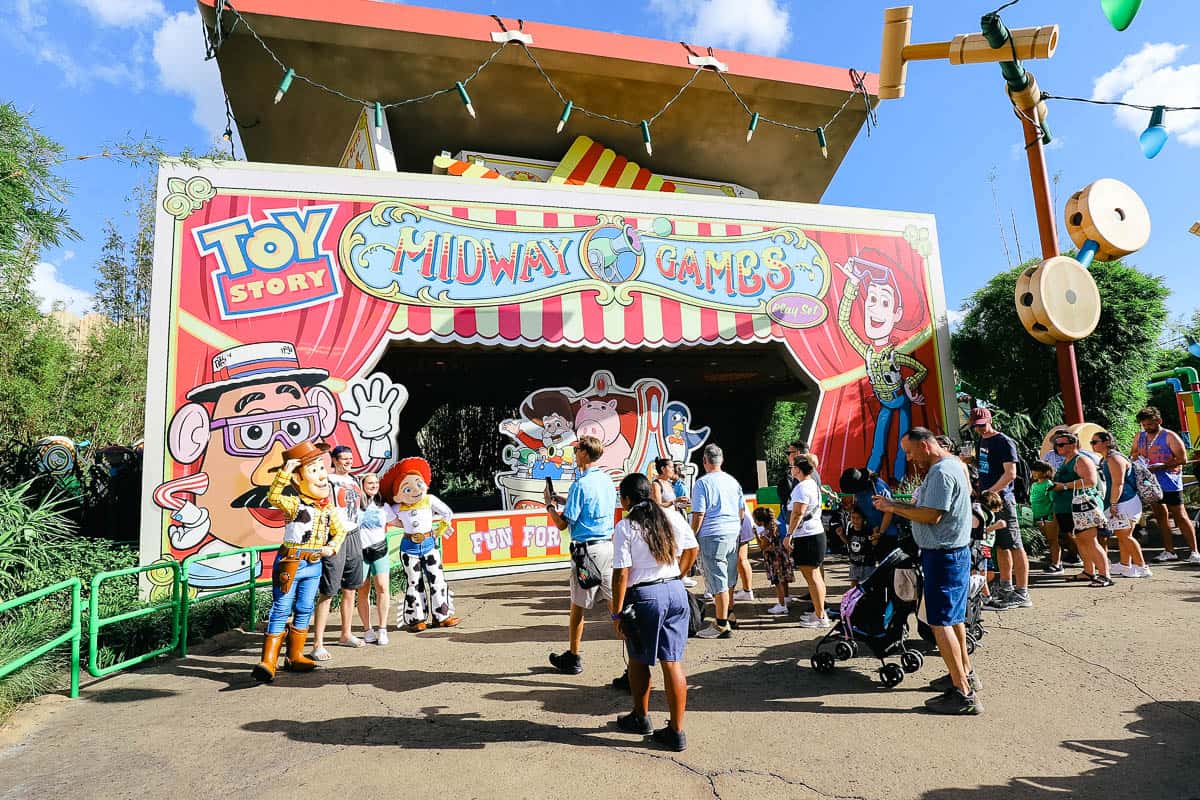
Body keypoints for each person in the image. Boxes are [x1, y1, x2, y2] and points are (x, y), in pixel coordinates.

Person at [873, 428, 979, 715]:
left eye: (909, 452)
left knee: (939, 622)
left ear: (925, 445)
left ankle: (963, 694)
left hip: (943, 556)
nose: (908, 458)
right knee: (953, 619)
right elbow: (932, 507)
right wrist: (895, 505)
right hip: (952, 554)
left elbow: (932, 515)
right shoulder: (953, 464)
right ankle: (964, 674)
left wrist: (894, 507)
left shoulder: (942, 472)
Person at [610, 473, 698, 752]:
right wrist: (678, 575)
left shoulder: (626, 526)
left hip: (644, 596)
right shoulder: (670, 516)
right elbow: (692, 548)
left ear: (625, 499)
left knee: (638, 660)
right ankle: (676, 731)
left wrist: (617, 610)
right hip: (674, 591)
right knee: (672, 662)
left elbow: (621, 573)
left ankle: (641, 717)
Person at [252, 441, 348, 683]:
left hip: (314, 564)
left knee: (305, 608)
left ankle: (294, 655)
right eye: (313, 471)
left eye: (322, 469)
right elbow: (273, 496)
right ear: (298, 479)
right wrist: (286, 472)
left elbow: (341, 531)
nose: (322, 476)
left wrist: (331, 547)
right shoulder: (293, 504)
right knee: (282, 608)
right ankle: (268, 662)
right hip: (291, 562)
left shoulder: (328, 509)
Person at [545, 435, 617, 673]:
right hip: (607, 547)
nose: (574, 454)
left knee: (578, 605)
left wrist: (549, 506)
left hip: (585, 551)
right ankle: (634, 661)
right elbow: (589, 506)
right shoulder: (606, 481)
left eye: (577, 451)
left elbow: (563, 524)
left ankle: (574, 656)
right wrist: (564, 500)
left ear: (585, 454)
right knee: (615, 607)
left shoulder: (580, 484)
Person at [379, 457, 461, 632]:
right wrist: (402, 523)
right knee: (414, 581)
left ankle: (442, 615)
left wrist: (441, 528)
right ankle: (416, 619)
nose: (415, 490)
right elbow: (390, 519)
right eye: (407, 488)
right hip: (409, 548)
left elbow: (447, 512)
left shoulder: (429, 500)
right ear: (397, 495)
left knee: (437, 579)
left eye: (418, 484)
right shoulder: (398, 507)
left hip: (429, 544)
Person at [969, 408, 1031, 611]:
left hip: (1003, 500)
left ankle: (1022, 592)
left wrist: (990, 491)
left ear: (990, 421)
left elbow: (1010, 474)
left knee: (1014, 544)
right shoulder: (982, 441)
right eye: (976, 425)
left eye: (982, 424)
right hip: (989, 501)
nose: (979, 429)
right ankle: (1006, 586)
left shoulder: (1003, 441)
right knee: (1000, 545)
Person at [311, 445, 366, 659]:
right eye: (344, 458)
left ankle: (346, 633)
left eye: (350, 458)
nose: (348, 462)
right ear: (333, 460)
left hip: (354, 534)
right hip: (336, 537)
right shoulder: (328, 481)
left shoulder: (354, 481)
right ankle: (317, 643)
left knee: (351, 588)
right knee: (328, 591)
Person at [1130, 406, 1200, 563]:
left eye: (1150, 424)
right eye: (1144, 425)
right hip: (1150, 483)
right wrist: (1137, 459)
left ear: (1158, 421)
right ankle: (1169, 550)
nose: (1147, 428)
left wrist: (1161, 466)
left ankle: (1194, 551)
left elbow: (1182, 459)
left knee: (1180, 515)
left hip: (1170, 482)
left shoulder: (1169, 436)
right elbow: (1133, 453)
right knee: (1160, 516)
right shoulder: (1139, 436)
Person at [690, 444, 746, 639]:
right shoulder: (733, 482)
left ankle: (721, 624)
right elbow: (741, 511)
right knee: (729, 578)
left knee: (718, 580)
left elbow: (698, 514)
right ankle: (729, 614)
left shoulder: (702, 483)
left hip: (712, 534)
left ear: (705, 461)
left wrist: (692, 535)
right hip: (733, 532)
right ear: (721, 461)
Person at [1050, 432, 1112, 586]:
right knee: (1081, 540)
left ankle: (1105, 575)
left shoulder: (1082, 460)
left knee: (1090, 540)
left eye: (1061, 444)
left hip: (1082, 507)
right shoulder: (1066, 461)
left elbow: (1090, 481)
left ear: (1073, 444)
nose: (1058, 447)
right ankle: (1088, 571)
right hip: (1068, 507)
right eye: (1056, 445)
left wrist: (1064, 486)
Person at [1092, 431, 1150, 578]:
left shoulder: (1114, 458)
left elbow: (1119, 483)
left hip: (1125, 501)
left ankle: (1142, 567)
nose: (1092, 445)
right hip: (1122, 501)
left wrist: (1113, 503)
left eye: (1095, 442)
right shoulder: (1108, 458)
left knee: (1126, 535)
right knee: (1121, 534)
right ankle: (1125, 564)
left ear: (1106, 442)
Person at [788, 457, 829, 628]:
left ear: (797, 469)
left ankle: (820, 617)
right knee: (815, 577)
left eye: (792, 467)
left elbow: (798, 513)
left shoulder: (802, 487)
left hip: (807, 536)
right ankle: (819, 612)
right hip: (814, 534)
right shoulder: (812, 484)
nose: (791, 470)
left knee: (812, 578)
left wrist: (788, 534)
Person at [355, 472, 391, 645]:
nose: (374, 485)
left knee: (383, 587)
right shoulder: (354, 504)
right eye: (370, 483)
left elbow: (399, 520)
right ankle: (367, 629)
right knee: (362, 590)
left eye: (376, 482)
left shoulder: (383, 505)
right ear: (362, 484)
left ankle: (383, 629)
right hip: (360, 551)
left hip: (380, 550)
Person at [753, 506, 793, 614]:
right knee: (783, 579)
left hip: (773, 559)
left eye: (755, 520)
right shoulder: (776, 525)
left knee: (777, 581)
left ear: (761, 521)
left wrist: (756, 535)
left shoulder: (766, 533)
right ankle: (786, 597)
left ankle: (781, 605)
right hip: (782, 556)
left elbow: (762, 547)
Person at [971, 491, 1005, 600]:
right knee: (983, 574)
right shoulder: (984, 514)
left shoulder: (988, 513)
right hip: (982, 546)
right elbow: (981, 530)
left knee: (988, 573)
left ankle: (979, 594)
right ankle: (986, 597)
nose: (999, 509)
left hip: (986, 546)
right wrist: (996, 526)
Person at [1028, 461, 1061, 572]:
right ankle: (1051, 560)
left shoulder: (1048, 484)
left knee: (1053, 540)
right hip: (1037, 516)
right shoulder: (1034, 485)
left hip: (1048, 517)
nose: (1033, 472)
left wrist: (1053, 516)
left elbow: (1054, 502)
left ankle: (1056, 563)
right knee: (1046, 540)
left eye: (1036, 470)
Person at [837, 506, 876, 588]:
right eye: (853, 518)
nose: (855, 520)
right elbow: (848, 542)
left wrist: (875, 536)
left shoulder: (867, 530)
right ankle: (854, 600)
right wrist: (841, 535)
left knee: (866, 585)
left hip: (867, 563)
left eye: (858, 518)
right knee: (854, 583)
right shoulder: (851, 529)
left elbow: (873, 543)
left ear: (863, 519)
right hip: (854, 562)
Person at [734, 511, 756, 602]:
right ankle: (747, 591)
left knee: (739, 560)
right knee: (742, 559)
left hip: (735, 522)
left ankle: (725, 595)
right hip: (741, 522)